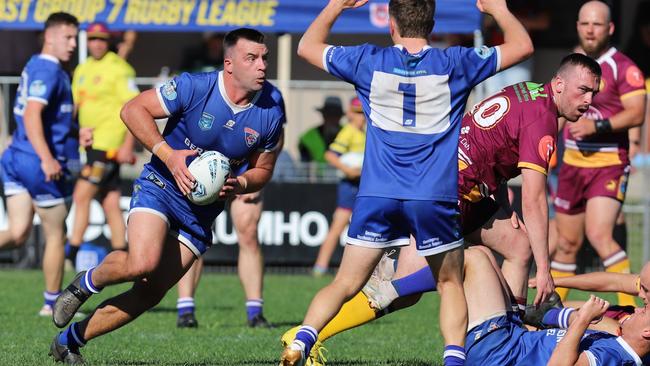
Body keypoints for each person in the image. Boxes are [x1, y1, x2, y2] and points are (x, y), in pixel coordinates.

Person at [281, 53, 602, 365]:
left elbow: (491, 145)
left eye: (593, 93)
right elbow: (534, 199)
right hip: (446, 194)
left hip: (461, 186)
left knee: (517, 244)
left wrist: (502, 205)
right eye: (583, 90)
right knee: (399, 290)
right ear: (559, 84)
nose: (588, 100)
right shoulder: (542, 119)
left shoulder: (530, 91)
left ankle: (511, 341)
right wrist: (545, 271)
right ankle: (306, 336)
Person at [280, 1, 533, 365]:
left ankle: (302, 339)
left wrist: (337, 5)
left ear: (391, 25)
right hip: (431, 196)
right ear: (431, 24)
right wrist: (499, 9)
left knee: (345, 283)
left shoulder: (368, 60)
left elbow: (306, 46)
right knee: (449, 284)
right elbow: (523, 45)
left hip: (376, 193)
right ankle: (453, 359)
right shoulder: (455, 63)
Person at [48, 28, 285, 364]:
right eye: (252, 58)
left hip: (200, 214)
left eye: (265, 58)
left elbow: (263, 170)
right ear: (229, 64)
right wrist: (169, 155)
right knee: (140, 263)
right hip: (161, 186)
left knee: (150, 292)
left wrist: (242, 184)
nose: (262, 65)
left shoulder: (270, 115)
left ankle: (69, 342)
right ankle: (84, 284)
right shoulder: (196, 86)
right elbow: (132, 110)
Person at [551, 1, 647, 307]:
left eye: (597, 24)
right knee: (566, 244)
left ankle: (633, 310)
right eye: (585, 24)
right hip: (571, 164)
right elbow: (558, 108)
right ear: (577, 26)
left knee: (599, 235)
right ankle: (545, 312)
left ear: (610, 28)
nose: (590, 30)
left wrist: (597, 126)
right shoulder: (571, 63)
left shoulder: (624, 66)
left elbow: (637, 113)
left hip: (609, 163)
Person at [0, 12, 79, 316]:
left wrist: (74, 131)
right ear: (49, 36)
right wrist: (47, 157)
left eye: (75, 38)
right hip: (37, 162)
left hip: (15, 157)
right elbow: (33, 113)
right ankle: (52, 304)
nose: (73, 44)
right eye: (67, 37)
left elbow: (45, 117)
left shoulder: (35, 63)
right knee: (56, 234)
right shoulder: (48, 70)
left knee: (19, 232)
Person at [65, 22, 139, 269]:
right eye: (93, 39)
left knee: (81, 194)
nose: (97, 43)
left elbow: (134, 109)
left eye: (102, 39)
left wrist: (128, 144)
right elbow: (75, 107)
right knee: (110, 201)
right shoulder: (83, 68)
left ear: (109, 42)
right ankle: (124, 255)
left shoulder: (120, 69)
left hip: (107, 146)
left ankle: (70, 253)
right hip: (88, 145)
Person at [176, 189, 274, 329]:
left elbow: (267, 167)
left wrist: (256, 179)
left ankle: (255, 313)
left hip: (242, 169)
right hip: (202, 169)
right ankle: (185, 311)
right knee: (194, 233)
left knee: (249, 232)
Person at [312, 96, 365, 276]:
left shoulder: (363, 133)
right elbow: (331, 155)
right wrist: (348, 170)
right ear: (350, 113)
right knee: (338, 226)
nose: (361, 117)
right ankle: (320, 266)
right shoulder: (348, 132)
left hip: (361, 185)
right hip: (350, 185)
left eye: (363, 113)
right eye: (357, 113)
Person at [298, 96, 343, 164]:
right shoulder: (308, 137)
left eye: (336, 115)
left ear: (340, 117)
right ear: (323, 115)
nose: (332, 119)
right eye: (328, 115)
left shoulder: (350, 132)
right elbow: (305, 164)